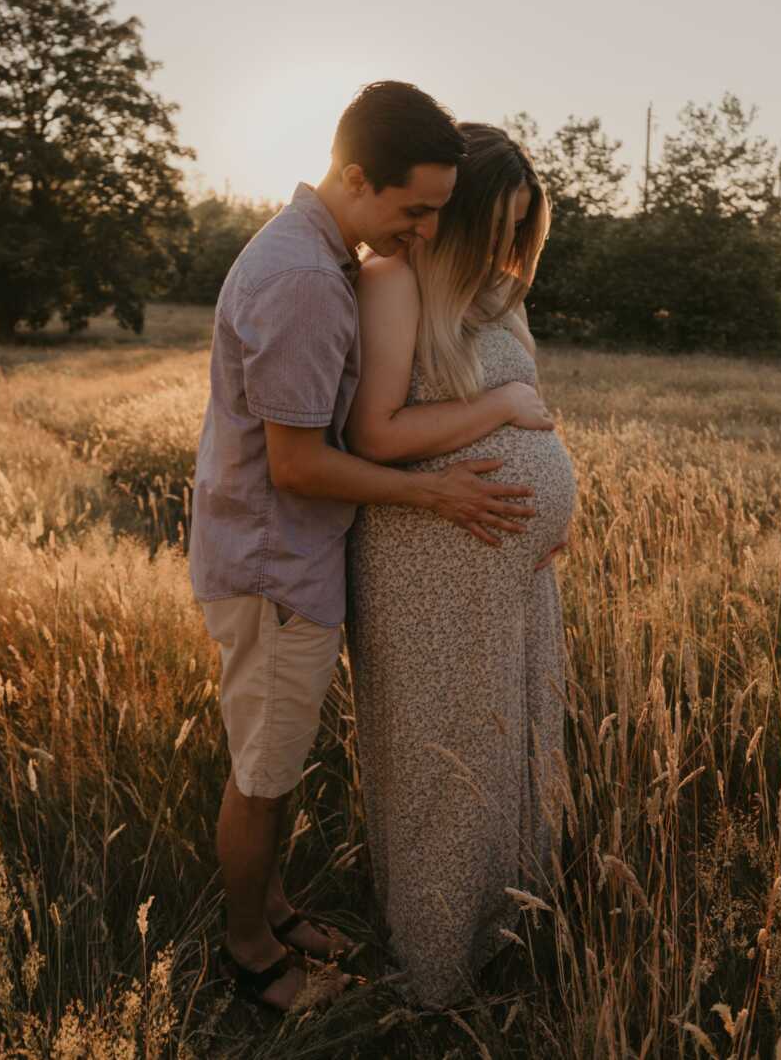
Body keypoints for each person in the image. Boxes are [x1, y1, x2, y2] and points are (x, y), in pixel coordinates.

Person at [189, 83, 554, 1012]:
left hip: (294, 561)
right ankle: (251, 956)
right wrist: (437, 492)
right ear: (357, 176)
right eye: (418, 210)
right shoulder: (308, 279)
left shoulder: (319, 256)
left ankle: (271, 910)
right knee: (264, 776)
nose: (429, 231)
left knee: (278, 759)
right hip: (276, 566)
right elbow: (303, 465)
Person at [346, 121, 576, 1007]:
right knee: (444, 755)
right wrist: (499, 407)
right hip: (428, 559)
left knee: (514, 741)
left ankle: (502, 932)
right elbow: (377, 434)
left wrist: (565, 494)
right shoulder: (394, 283)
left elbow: (533, 411)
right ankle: (435, 973)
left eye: (522, 229)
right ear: (454, 210)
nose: (509, 248)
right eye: (498, 224)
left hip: (512, 565)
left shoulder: (496, 293)